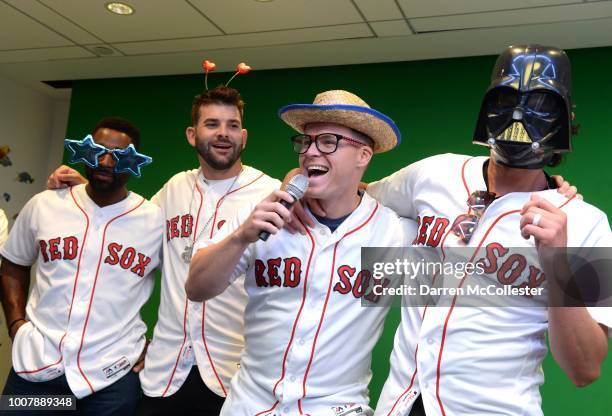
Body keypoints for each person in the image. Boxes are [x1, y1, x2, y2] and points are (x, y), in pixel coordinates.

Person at [365, 45, 611, 416]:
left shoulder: (586, 222)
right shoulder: (434, 174)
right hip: (400, 403)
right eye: (506, 98)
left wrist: (557, 262)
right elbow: (357, 197)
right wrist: (298, 181)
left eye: (541, 102)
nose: (519, 114)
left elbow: (584, 369)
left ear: (564, 116)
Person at [48, 86, 280, 415]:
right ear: (192, 134)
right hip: (166, 371)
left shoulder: (269, 193)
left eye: (232, 125)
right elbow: (125, 227)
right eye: (212, 124)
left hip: (234, 374)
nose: (223, 134)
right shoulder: (175, 188)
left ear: (243, 135)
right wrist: (83, 190)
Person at [186, 90, 418, 415]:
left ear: (363, 155)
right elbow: (196, 288)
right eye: (305, 142)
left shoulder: (392, 235)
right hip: (249, 405)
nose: (310, 152)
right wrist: (241, 237)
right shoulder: (266, 215)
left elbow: (477, 281)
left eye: (327, 142)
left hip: (334, 408)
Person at [0, 117, 163, 415]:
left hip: (111, 378)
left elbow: (184, 286)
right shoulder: (44, 205)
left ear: (134, 162)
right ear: (84, 151)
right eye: (98, 150)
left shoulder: (154, 221)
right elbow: (13, 263)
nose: (105, 161)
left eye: (119, 155)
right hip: (37, 368)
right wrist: (16, 326)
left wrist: (163, 345)